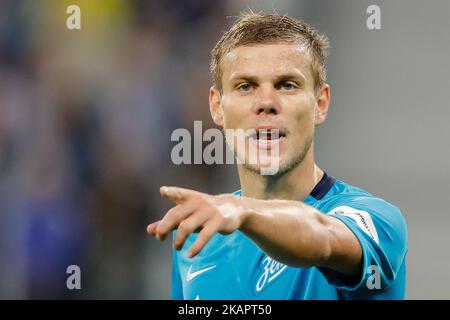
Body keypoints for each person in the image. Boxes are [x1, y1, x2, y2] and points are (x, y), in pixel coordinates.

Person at [147, 12, 407, 300]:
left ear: (320, 103)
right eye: (245, 86)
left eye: (287, 85)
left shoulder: (376, 219)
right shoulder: (197, 239)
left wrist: (245, 210)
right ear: (217, 106)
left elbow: (324, 240)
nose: (266, 103)